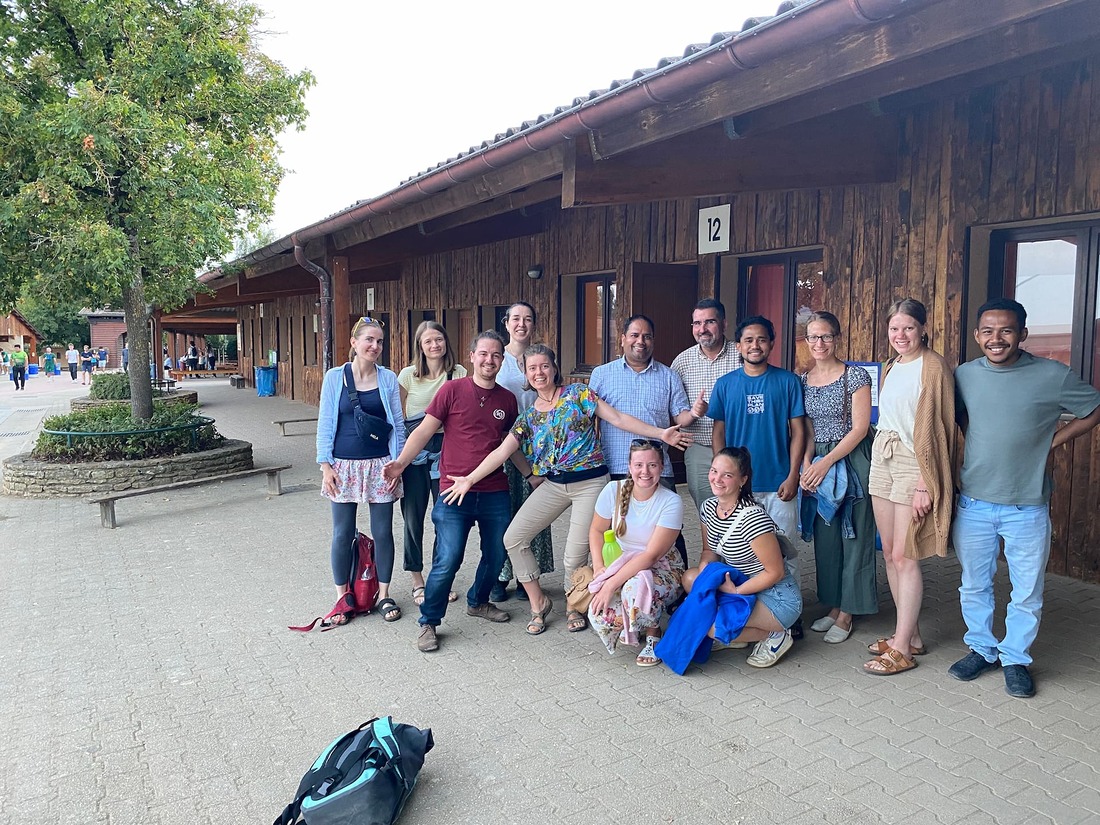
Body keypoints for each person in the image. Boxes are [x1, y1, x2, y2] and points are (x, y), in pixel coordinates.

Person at [443, 343, 690, 636]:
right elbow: (500, 452)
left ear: (554, 368)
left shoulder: (577, 394)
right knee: (513, 538)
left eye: (544, 366)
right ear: (525, 372)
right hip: (554, 484)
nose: (539, 372)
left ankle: (574, 606)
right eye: (532, 367)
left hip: (590, 483)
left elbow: (619, 419)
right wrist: (469, 479)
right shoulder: (527, 418)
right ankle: (539, 604)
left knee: (573, 557)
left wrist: (660, 433)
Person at [951, 298, 1100, 698]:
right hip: (975, 502)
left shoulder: (1053, 375)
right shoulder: (964, 374)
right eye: (987, 330)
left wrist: (1054, 442)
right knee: (974, 584)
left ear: (1022, 334)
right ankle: (981, 649)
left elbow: (1093, 408)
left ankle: (1015, 658)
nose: (995, 339)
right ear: (978, 334)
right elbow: (961, 416)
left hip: (1027, 505)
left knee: (1026, 590)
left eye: (1006, 330)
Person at [382, 331, 525, 653]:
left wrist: (530, 475)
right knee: (448, 559)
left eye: (496, 355)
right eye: (484, 354)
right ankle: (429, 623)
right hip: (452, 490)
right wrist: (402, 463)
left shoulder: (507, 400)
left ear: (502, 361)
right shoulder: (452, 390)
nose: (490, 360)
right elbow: (423, 431)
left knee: (497, 553)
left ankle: (478, 601)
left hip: (493, 490)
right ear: (472, 356)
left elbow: (509, 446)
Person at [863, 299, 956, 676]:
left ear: (922, 329)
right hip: (882, 453)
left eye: (908, 328)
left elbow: (942, 427)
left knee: (906, 555)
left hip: (914, 462)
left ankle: (902, 649)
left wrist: (925, 480)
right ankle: (910, 633)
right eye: (894, 329)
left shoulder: (933, 367)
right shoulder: (892, 365)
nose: (900, 336)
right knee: (888, 552)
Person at [709, 315, 806, 641]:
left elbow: (798, 431)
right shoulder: (725, 385)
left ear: (772, 343)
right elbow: (718, 431)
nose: (755, 345)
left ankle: (791, 615)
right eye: (748, 340)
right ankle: (753, 611)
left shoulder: (787, 381)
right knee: (741, 554)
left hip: (778, 484)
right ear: (739, 345)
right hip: (741, 489)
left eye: (762, 339)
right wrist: (724, 479)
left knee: (784, 553)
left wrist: (793, 475)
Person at [669, 447, 803, 668]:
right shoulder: (708, 507)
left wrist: (737, 591)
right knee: (691, 579)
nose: (717, 479)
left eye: (727, 475)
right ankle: (737, 633)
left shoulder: (753, 518)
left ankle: (775, 634)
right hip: (738, 582)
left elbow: (775, 572)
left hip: (775, 596)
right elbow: (709, 551)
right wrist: (705, 576)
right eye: (714, 471)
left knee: (708, 625)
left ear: (742, 480)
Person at [589, 314, 705, 569]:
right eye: (634, 335)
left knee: (669, 530)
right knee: (613, 529)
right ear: (622, 339)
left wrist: (695, 412)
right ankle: (617, 582)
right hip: (615, 466)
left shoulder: (668, 376)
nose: (640, 341)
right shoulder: (601, 374)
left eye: (647, 336)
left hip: (655, 468)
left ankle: (676, 590)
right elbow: (589, 421)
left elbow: (680, 416)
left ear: (653, 341)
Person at [316, 316, 405, 626]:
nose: (375, 346)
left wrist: (398, 464)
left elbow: (397, 423)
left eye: (379, 341)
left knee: (383, 532)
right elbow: (326, 421)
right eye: (368, 339)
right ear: (354, 343)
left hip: (381, 465)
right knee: (342, 533)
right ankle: (343, 596)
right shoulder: (334, 377)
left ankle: (383, 593)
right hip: (343, 466)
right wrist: (325, 465)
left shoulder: (388, 378)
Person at [799, 311, 877, 646]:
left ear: (837, 338)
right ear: (806, 341)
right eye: (813, 337)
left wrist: (826, 462)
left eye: (826, 336)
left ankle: (849, 611)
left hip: (851, 456)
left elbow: (860, 428)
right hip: (817, 460)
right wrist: (806, 464)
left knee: (854, 535)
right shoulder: (803, 380)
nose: (820, 343)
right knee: (826, 536)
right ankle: (832, 604)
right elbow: (804, 427)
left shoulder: (855, 377)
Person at [587, 439, 684, 667]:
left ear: (662, 467)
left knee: (636, 588)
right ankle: (633, 623)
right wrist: (599, 567)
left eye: (652, 465)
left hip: (663, 568)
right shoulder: (613, 490)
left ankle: (653, 633)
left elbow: (650, 556)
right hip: (621, 563)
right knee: (599, 611)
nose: (645, 472)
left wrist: (611, 584)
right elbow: (596, 530)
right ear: (629, 466)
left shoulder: (672, 501)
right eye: (639, 465)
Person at [396, 320, 467, 607]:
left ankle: (440, 578)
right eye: (428, 341)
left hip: (447, 451)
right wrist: (399, 460)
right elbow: (399, 421)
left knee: (445, 518)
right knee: (412, 518)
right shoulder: (407, 376)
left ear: (445, 342)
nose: (434, 345)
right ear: (420, 346)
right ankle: (417, 580)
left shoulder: (458, 372)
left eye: (438, 339)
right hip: (414, 452)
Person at [491, 301, 554, 602]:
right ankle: (499, 575)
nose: (521, 324)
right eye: (516, 318)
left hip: (538, 445)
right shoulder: (496, 358)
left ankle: (527, 575)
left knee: (534, 511)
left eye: (527, 319)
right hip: (504, 441)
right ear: (506, 323)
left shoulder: (539, 356)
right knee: (504, 511)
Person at [671, 298, 743, 513]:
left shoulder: (741, 355)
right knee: (707, 509)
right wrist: (693, 413)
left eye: (709, 322)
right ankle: (710, 548)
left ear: (724, 324)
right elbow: (676, 412)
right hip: (699, 449)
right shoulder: (681, 362)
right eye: (696, 323)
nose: (702, 329)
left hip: (738, 446)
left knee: (743, 505)